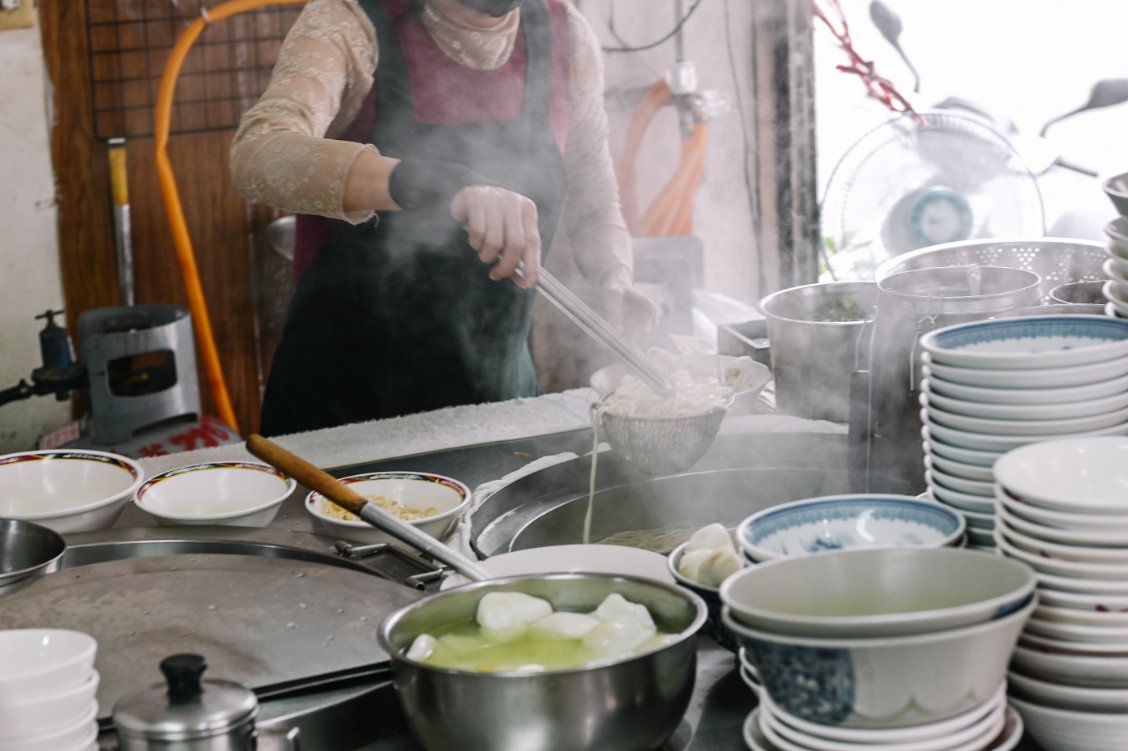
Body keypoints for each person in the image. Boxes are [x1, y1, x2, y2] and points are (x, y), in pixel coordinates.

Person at [231, 0, 658, 436]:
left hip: (498, 404)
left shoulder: (564, 32)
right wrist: (431, 184)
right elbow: (258, 155)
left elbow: (594, 200)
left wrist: (614, 275)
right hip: (344, 415)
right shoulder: (352, 21)